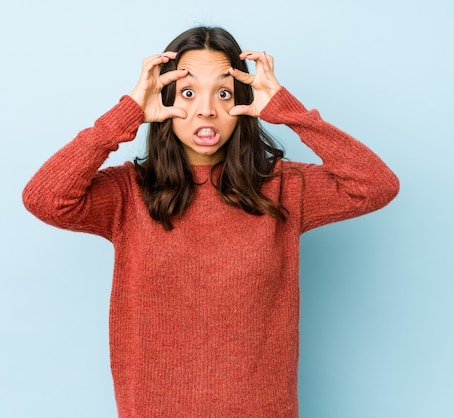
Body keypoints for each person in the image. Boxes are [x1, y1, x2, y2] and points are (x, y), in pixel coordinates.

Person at [23, 26, 399, 417]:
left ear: (244, 104)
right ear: (163, 100)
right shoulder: (128, 193)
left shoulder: (283, 187)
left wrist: (291, 113)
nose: (206, 109)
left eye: (223, 93)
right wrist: (127, 114)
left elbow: (375, 185)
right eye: (188, 92)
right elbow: (45, 199)